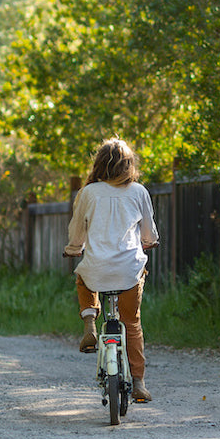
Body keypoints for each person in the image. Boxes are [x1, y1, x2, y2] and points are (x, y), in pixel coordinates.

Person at [64, 138, 160, 402]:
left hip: (97, 271)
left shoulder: (88, 193)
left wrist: (74, 248)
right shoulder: (139, 192)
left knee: (82, 276)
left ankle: (90, 323)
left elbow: (77, 232)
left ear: (99, 165)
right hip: (129, 272)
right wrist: (149, 242)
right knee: (132, 323)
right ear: (129, 165)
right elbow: (149, 232)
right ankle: (139, 383)